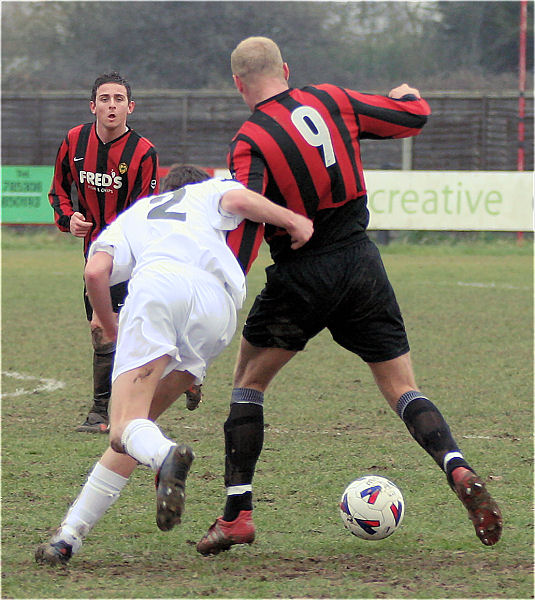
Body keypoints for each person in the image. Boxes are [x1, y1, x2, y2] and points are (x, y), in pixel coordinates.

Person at [196, 36, 503, 555]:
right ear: (286, 69)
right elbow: (412, 117)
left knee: (248, 383)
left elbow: (246, 216)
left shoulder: (250, 139)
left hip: (301, 274)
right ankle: (458, 466)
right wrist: (409, 95)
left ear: (237, 83)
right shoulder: (331, 99)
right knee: (402, 387)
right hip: (362, 264)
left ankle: (237, 515)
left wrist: (224, 279)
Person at [35, 164, 313, 566]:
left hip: (160, 288)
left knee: (123, 426)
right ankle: (68, 538)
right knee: (134, 430)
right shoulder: (207, 197)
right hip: (218, 309)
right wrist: (292, 220)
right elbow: (238, 199)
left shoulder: (137, 213)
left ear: (162, 190)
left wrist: (113, 330)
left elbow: (95, 271)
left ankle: (166, 454)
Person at [49, 71, 161, 433]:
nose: (111, 105)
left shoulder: (143, 152)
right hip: (94, 255)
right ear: (93, 105)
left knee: (128, 329)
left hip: (132, 256)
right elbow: (58, 191)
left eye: (118, 99)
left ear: (130, 106)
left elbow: (147, 210)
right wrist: (70, 219)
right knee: (100, 330)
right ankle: (105, 410)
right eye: (104, 98)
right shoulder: (74, 140)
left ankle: (109, 411)